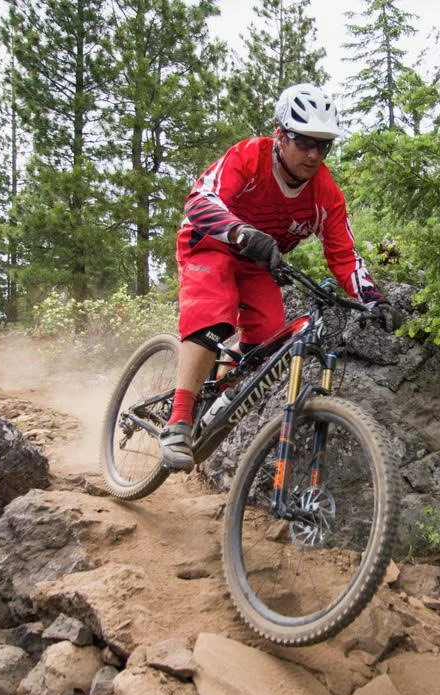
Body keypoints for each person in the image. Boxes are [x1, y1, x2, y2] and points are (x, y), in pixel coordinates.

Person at [159, 82, 401, 471]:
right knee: (213, 314)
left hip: (257, 264)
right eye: (303, 141)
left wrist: (375, 299)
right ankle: (178, 421)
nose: (313, 154)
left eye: (323, 145)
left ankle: (217, 389)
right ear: (280, 134)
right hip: (209, 245)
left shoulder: (325, 194)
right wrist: (239, 231)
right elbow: (199, 201)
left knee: (269, 335)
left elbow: (343, 256)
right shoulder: (250, 157)